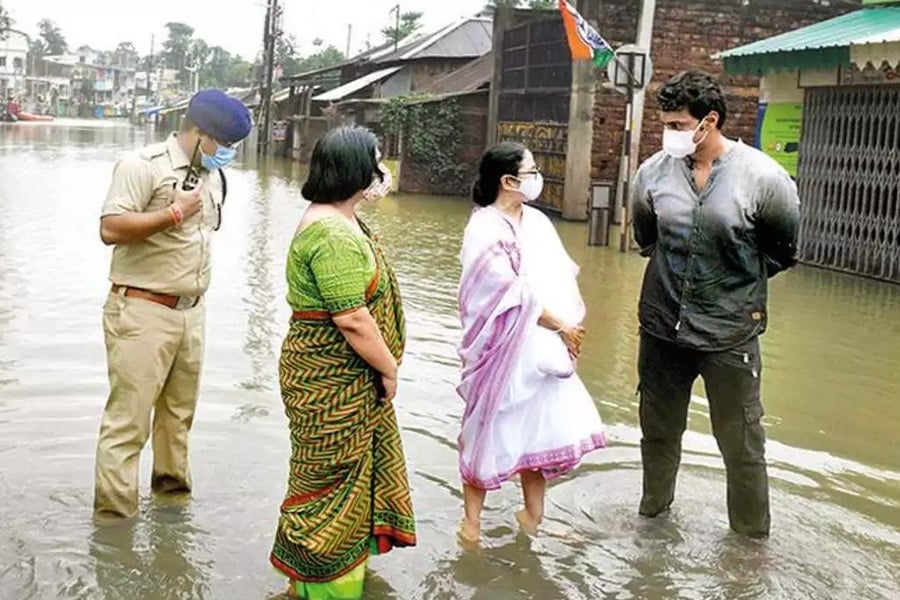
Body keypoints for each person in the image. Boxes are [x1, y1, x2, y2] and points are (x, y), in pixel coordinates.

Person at [630, 70, 801, 537]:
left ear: (710, 121)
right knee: (658, 435)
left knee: (742, 443)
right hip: (663, 328)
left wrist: (726, 285)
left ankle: (749, 545)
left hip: (730, 333)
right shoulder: (652, 174)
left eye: (679, 125)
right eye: (666, 124)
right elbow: (648, 239)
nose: (670, 134)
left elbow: (781, 252)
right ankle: (653, 525)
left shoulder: (764, 178)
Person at [269, 126, 416, 600]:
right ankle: (321, 583)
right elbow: (352, 317)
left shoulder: (342, 220)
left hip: (349, 377)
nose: (382, 171)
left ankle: (333, 577)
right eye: (376, 161)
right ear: (356, 169)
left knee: (346, 481)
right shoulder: (332, 231)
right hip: (329, 377)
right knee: (328, 483)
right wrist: (389, 369)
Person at [93, 89, 252, 519]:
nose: (229, 154)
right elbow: (111, 228)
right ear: (198, 133)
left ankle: (172, 511)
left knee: (178, 419)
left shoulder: (212, 176)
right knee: (128, 424)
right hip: (142, 311)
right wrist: (173, 213)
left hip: (191, 313)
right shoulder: (141, 167)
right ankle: (114, 525)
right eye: (225, 144)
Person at [456, 142, 606, 544]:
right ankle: (471, 525)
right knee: (488, 428)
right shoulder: (484, 228)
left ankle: (533, 517)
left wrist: (569, 328)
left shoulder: (536, 222)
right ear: (508, 181)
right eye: (531, 170)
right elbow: (504, 292)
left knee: (535, 433)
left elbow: (560, 277)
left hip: (539, 349)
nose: (537, 176)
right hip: (501, 347)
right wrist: (560, 326)